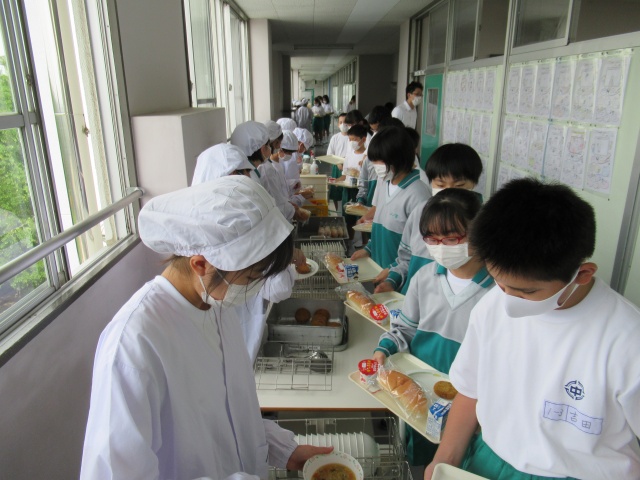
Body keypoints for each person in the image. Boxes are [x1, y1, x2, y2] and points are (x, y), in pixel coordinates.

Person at [80, 176, 332, 480]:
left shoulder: (216, 304)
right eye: (251, 277)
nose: (255, 287)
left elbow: (233, 412)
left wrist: (284, 450)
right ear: (201, 264)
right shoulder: (133, 343)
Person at [425, 178, 640, 480]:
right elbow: (470, 392)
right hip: (489, 461)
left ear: (582, 274)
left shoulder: (627, 340)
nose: (508, 302)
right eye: (500, 283)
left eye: (526, 292)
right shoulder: (490, 307)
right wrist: (443, 462)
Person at [373, 188, 493, 470]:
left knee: (458, 462)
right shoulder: (424, 278)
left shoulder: (497, 291)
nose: (441, 247)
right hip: (422, 392)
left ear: (479, 232)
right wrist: (383, 349)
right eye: (432, 239)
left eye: (451, 239)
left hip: (470, 405)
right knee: (421, 457)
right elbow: (405, 328)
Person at [191, 143, 303, 363]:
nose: (246, 180)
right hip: (238, 329)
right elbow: (278, 288)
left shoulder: (196, 225)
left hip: (232, 334)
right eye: (242, 174)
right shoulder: (244, 224)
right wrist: (284, 261)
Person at [375, 143, 483, 295]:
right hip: (413, 298)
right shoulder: (420, 212)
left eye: (459, 185)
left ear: (474, 183)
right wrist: (393, 280)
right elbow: (405, 258)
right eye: (440, 184)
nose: (448, 191)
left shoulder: (483, 221)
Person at [350, 126, 430, 269]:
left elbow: (419, 249)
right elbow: (380, 226)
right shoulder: (385, 182)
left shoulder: (418, 195)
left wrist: (394, 274)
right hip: (379, 268)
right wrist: (369, 249)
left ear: (398, 159)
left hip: (399, 276)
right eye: (374, 161)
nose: (375, 166)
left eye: (379, 161)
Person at [327, 113, 350, 210]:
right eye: (341, 122)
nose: (343, 124)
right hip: (337, 167)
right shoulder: (335, 138)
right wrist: (337, 163)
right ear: (338, 124)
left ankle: (346, 211)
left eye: (345, 122)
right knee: (335, 192)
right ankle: (336, 211)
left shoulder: (352, 137)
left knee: (347, 191)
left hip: (349, 168)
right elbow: (329, 154)